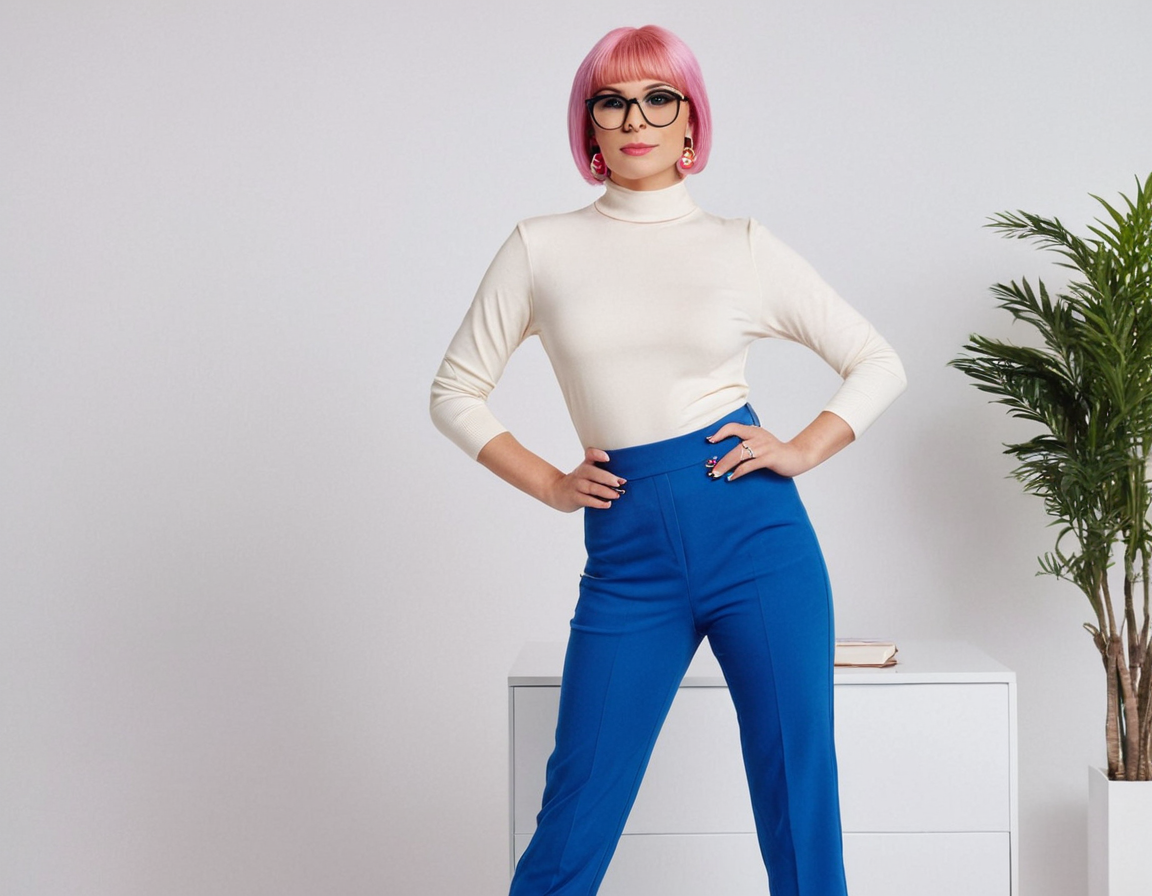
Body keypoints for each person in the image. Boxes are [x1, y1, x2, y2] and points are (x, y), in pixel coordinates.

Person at [429, 24, 906, 896]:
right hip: (629, 554)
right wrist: (550, 483)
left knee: (797, 794)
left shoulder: (740, 245)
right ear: (589, 125)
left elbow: (877, 361)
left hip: (757, 539)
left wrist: (802, 447)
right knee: (578, 805)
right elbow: (455, 390)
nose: (635, 118)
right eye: (611, 101)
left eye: (658, 98)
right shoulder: (541, 247)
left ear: (692, 121)